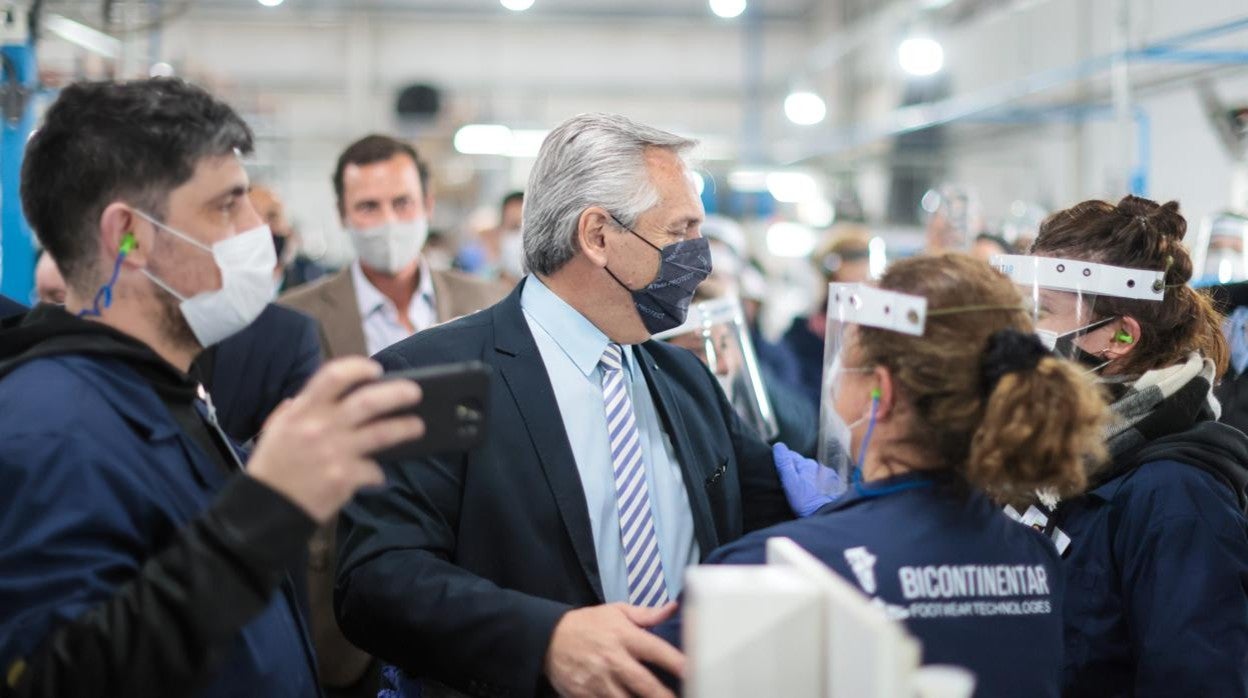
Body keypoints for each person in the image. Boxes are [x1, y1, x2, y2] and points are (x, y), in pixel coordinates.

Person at [334, 113, 795, 698]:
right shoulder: (433, 379)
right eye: (679, 231)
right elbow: (377, 582)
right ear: (598, 236)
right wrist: (544, 639)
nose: (698, 258)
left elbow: (773, 510)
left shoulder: (684, 381)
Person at [0, 78, 426, 698]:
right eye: (227, 206)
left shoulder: (157, 396)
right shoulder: (51, 427)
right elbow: (56, 679)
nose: (258, 231)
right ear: (129, 236)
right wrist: (264, 507)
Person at [659, 253, 1110, 698]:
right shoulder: (1034, 556)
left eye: (846, 362)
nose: (834, 377)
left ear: (880, 394)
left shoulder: (774, 570)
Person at [993, 195, 1248, 697]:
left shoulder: (1177, 496)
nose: (1021, 332)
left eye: (1041, 311)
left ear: (1120, 338)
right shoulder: (1053, 454)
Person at [280, 134, 508, 359]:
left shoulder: (491, 303)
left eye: (402, 203)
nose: (388, 220)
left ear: (428, 206)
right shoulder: (294, 317)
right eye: (369, 206)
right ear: (341, 214)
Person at [782, 225, 872, 410]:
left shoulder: (875, 329)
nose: (862, 272)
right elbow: (795, 391)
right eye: (855, 260)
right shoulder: (802, 333)